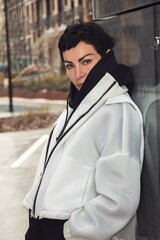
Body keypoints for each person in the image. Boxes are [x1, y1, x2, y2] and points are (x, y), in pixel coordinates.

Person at [23, 20, 144, 240]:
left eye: (86, 61)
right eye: (69, 65)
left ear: (106, 56)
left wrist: (66, 232)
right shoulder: (78, 104)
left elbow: (119, 201)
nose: (78, 74)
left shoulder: (118, 111)